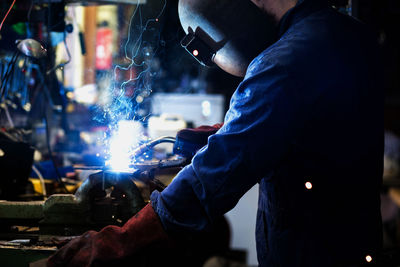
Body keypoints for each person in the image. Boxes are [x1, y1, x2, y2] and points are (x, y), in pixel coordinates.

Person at [47, 0, 383, 266]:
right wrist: (229, 131)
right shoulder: (348, 33)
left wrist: (117, 243)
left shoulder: (284, 61)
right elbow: (315, 124)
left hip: (312, 253)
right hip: (356, 243)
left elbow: (208, 183)